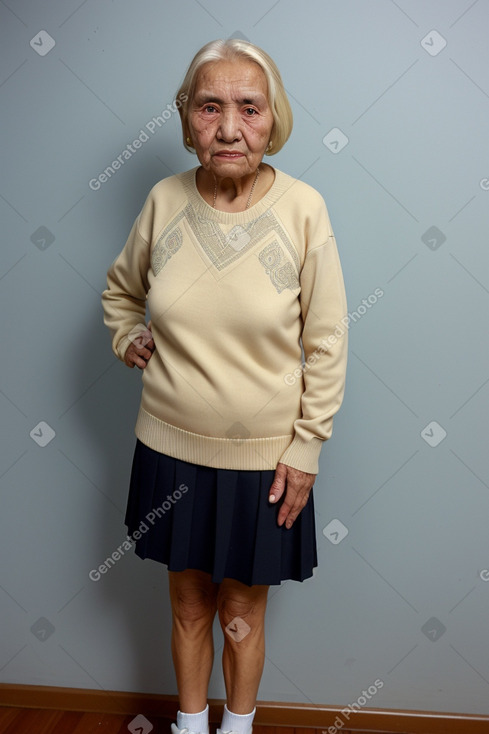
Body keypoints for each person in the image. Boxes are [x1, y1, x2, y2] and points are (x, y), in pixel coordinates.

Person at [102, 38, 348, 734]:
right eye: (210, 107)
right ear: (187, 119)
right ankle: (188, 727)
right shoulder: (164, 201)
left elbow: (327, 341)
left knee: (240, 615)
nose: (229, 128)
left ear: (274, 120)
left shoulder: (303, 210)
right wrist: (129, 336)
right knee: (186, 609)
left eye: (249, 107)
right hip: (169, 449)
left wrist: (306, 448)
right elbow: (121, 294)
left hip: (265, 460)